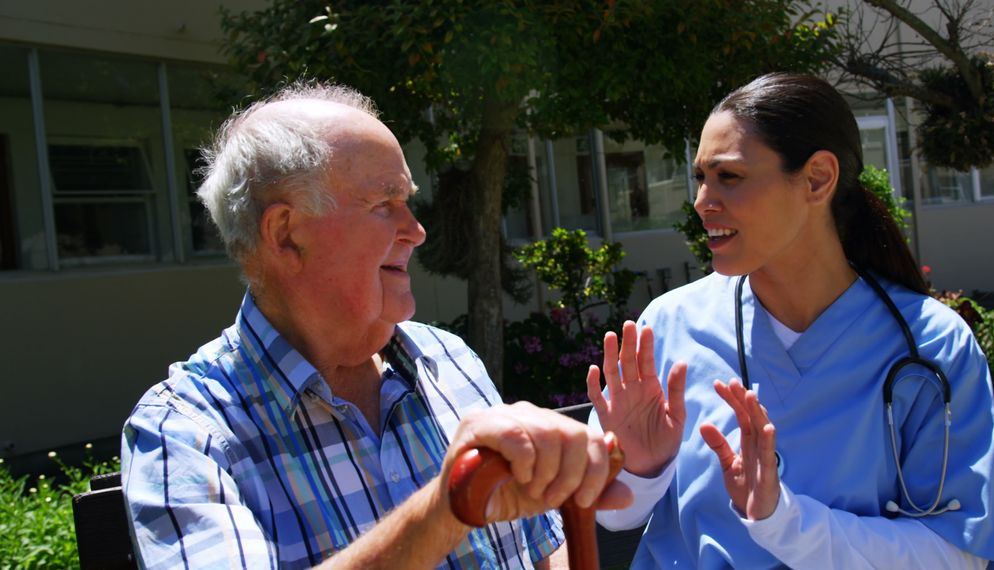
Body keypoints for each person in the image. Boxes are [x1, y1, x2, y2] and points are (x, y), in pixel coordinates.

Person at [121, 82, 626, 569]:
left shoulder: (446, 358)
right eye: (385, 205)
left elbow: (541, 551)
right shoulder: (186, 431)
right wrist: (447, 508)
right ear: (286, 233)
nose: (416, 230)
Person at [586, 73, 994, 568]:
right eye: (701, 177)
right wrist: (640, 468)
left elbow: (958, 554)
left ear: (817, 179)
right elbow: (613, 515)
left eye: (729, 177)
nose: (701, 202)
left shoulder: (930, 344)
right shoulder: (671, 324)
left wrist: (784, 522)